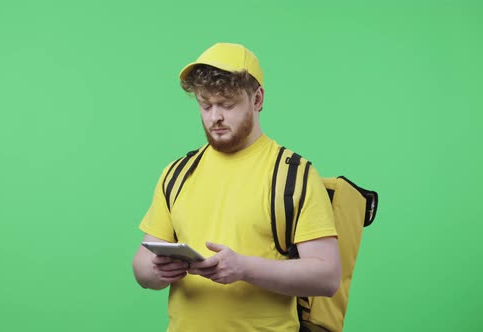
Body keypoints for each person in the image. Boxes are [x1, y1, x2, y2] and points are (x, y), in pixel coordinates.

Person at [132, 42, 341, 332]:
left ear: (257, 99)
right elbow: (141, 264)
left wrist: (244, 268)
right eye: (206, 105)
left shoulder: (294, 174)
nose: (214, 116)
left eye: (227, 105)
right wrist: (156, 270)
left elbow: (327, 276)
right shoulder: (177, 173)